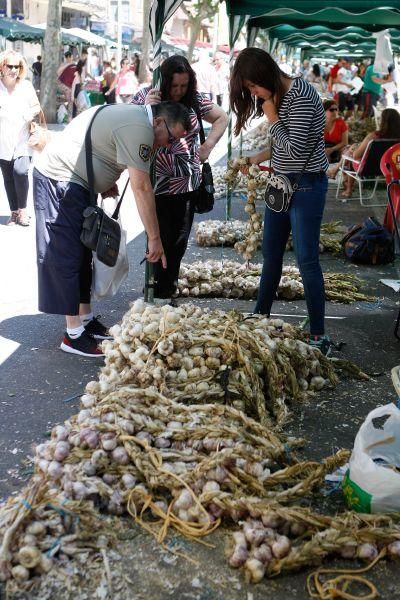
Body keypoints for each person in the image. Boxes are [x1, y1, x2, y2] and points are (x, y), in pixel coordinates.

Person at [33, 101, 192, 357]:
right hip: (59, 179)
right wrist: (154, 238)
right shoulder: (141, 127)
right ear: (159, 122)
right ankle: (73, 335)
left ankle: (85, 321)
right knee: (68, 254)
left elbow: (102, 144)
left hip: (77, 181)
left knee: (84, 252)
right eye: (171, 137)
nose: (168, 145)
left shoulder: (141, 120)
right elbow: (142, 187)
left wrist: (102, 180)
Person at [230, 47, 331, 355]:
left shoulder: (299, 95)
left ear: (264, 75)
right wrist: (256, 158)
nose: (255, 94)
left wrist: (272, 116)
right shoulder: (278, 97)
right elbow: (281, 147)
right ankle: (261, 314)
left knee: (306, 260)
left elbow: (295, 152)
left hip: (306, 187)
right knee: (271, 254)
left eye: (253, 86)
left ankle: (318, 335)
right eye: (249, 89)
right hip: (281, 184)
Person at [131, 55, 228, 299]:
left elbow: (222, 117)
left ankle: (168, 285)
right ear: (164, 82)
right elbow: (127, 123)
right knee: (158, 237)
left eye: (183, 85)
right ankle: (155, 287)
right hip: (157, 185)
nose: (178, 91)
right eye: (174, 86)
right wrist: (146, 107)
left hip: (188, 184)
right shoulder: (148, 95)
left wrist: (209, 145)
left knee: (179, 240)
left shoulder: (194, 99)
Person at [0, 50, 41, 226]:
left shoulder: (25, 86)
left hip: (23, 139)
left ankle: (23, 211)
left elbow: (36, 107)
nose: (14, 70)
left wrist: (29, 114)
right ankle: (14, 212)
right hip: (3, 140)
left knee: (20, 171)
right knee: (8, 175)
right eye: (10, 66)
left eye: (17, 66)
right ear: (2, 66)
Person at [341, 108, 400, 198]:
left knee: (350, 155)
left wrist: (354, 149)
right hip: (392, 169)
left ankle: (348, 190)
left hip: (368, 168)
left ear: (383, 121)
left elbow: (356, 155)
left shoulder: (374, 136)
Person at [323, 99, 349, 178]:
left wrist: (332, 149)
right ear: (324, 111)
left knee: (347, 150)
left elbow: (345, 142)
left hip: (337, 147)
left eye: (336, 109)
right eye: (331, 110)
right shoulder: (319, 121)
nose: (335, 112)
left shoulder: (341, 123)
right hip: (322, 146)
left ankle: (344, 178)